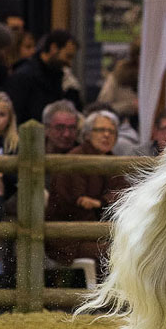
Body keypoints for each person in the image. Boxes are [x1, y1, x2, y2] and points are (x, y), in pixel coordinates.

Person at [45, 110, 127, 267]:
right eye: (100, 130)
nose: (106, 135)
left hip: (104, 232)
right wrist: (102, 203)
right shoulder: (75, 159)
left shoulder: (113, 160)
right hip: (69, 237)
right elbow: (75, 202)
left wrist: (100, 202)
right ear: (87, 134)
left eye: (111, 131)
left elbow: (123, 194)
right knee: (116, 251)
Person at [5, 30, 80, 124]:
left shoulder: (58, 77)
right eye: (67, 56)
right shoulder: (24, 76)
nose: (69, 63)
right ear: (54, 48)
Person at [0, 91, 18, 287]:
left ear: (9, 119)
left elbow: (19, 178)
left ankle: (0, 279)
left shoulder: (14, 144)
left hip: (8, 200)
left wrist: (2, 174)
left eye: (1, 115)